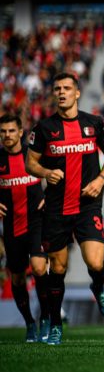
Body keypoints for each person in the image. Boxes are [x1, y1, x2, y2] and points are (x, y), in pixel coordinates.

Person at [26, 72, 104, 345]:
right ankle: (55, 324)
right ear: (53, 94)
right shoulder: (43, 129)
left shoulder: (95, 123)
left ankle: (98, 287)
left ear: (77, 93)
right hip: (56, 208)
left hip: (88, 205)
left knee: (95, 262)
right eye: (57, 89)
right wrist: (45, 171)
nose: (62, 92)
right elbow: (31, 163)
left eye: (67, 88)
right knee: (59, 268)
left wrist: (101, 180)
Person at [0, 113, 50, 342]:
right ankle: (30, 322)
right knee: (18, 279)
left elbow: (62, 172)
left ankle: (46, 318)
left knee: (39, 268)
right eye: (3, 132)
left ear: (21, 132)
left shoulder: (34, 154)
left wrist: (49, 197)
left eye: (11, 131)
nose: (7, 135)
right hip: (12, 226)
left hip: (37, 222)